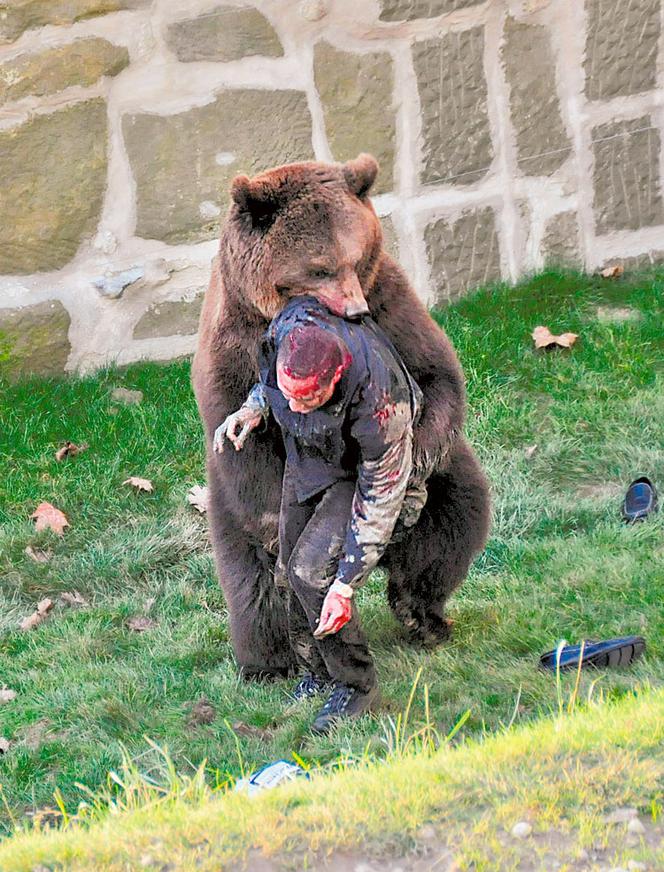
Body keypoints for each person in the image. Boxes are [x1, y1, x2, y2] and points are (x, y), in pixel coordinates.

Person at [213, 295, 426, 733]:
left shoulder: (382, 404)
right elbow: (271, 387)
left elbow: (380, 503)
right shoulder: (288, 330)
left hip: (360, 474)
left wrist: (345, 585)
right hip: (310, 457)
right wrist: (253, 410)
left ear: (336, 378)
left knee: (316, 574)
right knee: (288, 571)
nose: (292, 407)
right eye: (289, 395)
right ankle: (316, 670)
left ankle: (356, 682)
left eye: (306, 398)